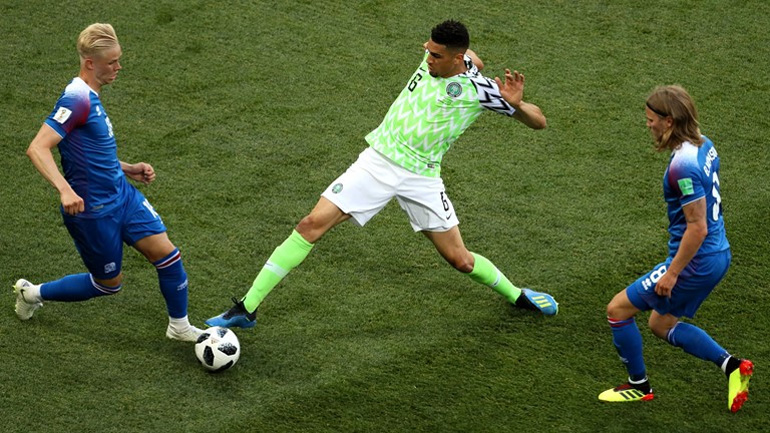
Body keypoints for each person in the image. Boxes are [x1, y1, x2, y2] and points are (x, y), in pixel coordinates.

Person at [206, 20, 558, 330]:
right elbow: (473, 58)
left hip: (421, 177)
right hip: (377, 163)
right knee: (310, 225)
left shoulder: (481, 90)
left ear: (454, 58)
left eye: (436, 55)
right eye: (428, 50)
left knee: (461, 260)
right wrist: (464, 58)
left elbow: (538, 122)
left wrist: (516, 104)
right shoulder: (442, 60)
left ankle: (517, 295)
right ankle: (247, 308)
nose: (427, 57)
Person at [14, 23, 202, 342]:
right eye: (112, 62)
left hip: (123, 196)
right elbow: (37, 147)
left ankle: (179, 326)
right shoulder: (75, 100)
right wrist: (65, 190)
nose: (118, 67)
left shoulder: (91, 97)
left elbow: (91, 153)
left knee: (169, 256)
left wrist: (127, 168)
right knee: (108, 284)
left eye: (118, 59)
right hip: (93, 211)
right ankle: (31, 293)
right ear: (91, 63)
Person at [598, 85, 753, 412]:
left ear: (669, 121)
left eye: (651, 119)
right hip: (718, 253)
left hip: (697, 259)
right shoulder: (704, 143)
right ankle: (733, 367)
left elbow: (697, 227)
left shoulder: (683, 167)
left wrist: (672, 273)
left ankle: (639, 386)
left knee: (617, 310)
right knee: (660, 324)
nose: (648, 125)